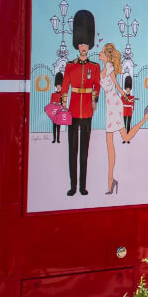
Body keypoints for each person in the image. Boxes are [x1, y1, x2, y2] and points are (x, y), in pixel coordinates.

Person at [99, 42, 148, 195]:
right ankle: (111, 182)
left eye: (102, 51)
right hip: (110, 106)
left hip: (114, 106)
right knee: (116, 141)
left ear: (107, 55)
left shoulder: (110, 68)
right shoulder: (104, 69)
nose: (100, 53)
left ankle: (110, 183)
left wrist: (126, 96)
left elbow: (118, 86)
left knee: (112, 144)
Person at [65, 10, 100, 196]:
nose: (84, 47)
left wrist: (94, 102)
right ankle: (72, 186)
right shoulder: (70, 66)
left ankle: (83, 186)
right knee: (72, 150)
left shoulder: (95, 67)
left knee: (84, 151)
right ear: (78, 46)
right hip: (72, 110)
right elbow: (64, 88)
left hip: (86, 110)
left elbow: (97, 86)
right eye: (81, 44)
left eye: (86, 44)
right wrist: (63, 106)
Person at [50, 71, 64, 144]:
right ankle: (54, 138)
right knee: (54, 126)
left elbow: (62, 104)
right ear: (56, 85)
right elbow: (51, 103)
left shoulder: (62, 94)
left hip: (59, 112)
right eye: (57, 85)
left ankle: (58, 139)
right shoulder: (53, 94)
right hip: (54, 112)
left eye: (59, 85)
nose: (58, 86)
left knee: (58, 126)